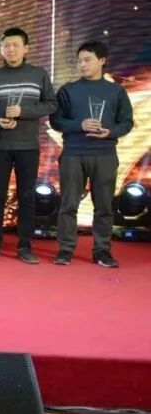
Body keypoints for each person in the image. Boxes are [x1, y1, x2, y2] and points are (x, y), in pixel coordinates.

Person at [50, 41, 133, 268]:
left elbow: (127, 122)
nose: (82, 65)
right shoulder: (68, 90)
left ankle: (102, 250)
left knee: (104, 206)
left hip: (105, 154)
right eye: (79, 61)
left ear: (102, 61)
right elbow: (56, 121)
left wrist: (110, 132)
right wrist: (80, 124)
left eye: (87, 60)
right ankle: (66, 249)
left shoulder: (116, 91)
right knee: (68, 204)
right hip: (73, 154)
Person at [0, 27, 57, 264]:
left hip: (28, 146)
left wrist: (23, 111)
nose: (11, 49)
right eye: (6, 46)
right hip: (0, 145)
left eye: (15, 45)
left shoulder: (38, 74)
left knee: (27, 196)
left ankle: (25, 246)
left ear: (26, 48)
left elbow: (51, 104)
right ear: (1, 49)